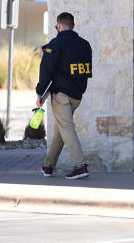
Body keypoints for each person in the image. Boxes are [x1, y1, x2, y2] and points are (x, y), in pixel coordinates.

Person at [37, 12, 93, 180]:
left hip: (61, 94)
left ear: (59, 26)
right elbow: (85, 70)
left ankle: (80, 165)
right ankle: (48, 165)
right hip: (77, 95)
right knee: (60, 130)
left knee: (66, 127)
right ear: (73, 26)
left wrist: (40, 94)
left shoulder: (55, 44)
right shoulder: (85, 45)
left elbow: (45, 70)